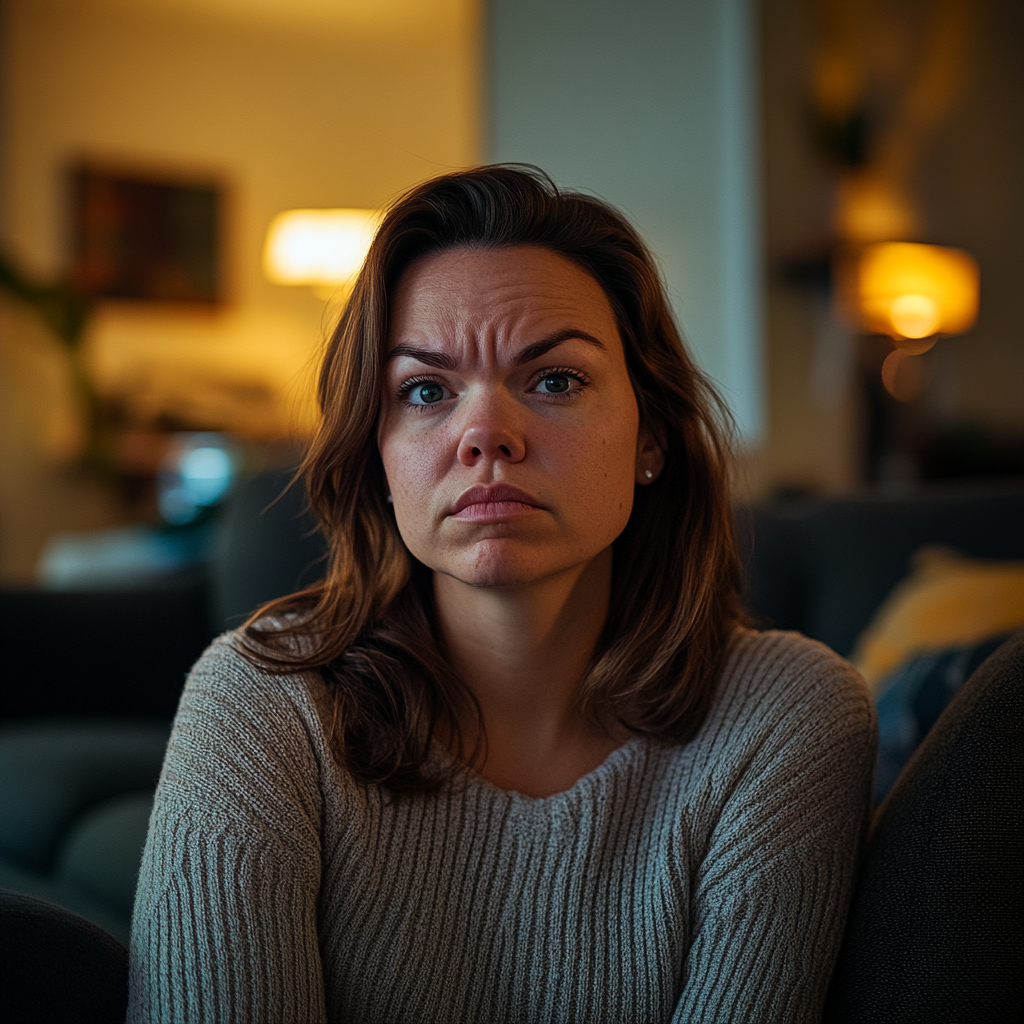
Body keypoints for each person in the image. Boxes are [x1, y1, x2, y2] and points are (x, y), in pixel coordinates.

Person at [128, 166, 876, 1023]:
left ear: (652, 438)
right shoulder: (259, 705)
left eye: (554, 380)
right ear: (377, 454)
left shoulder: (787, 719)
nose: (485, 433)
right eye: (425, 391)